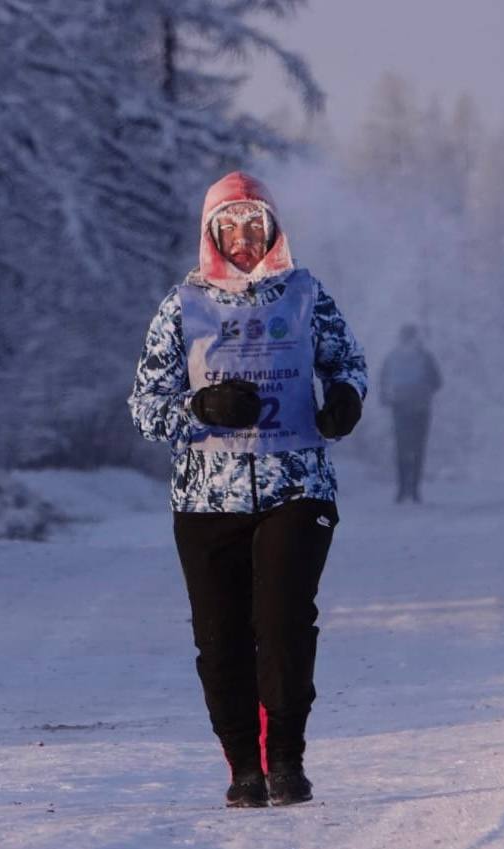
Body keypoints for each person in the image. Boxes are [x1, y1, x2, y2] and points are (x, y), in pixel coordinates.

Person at [128, 171, 367, 809]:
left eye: (252, 223)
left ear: (272, 227)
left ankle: (285, 758)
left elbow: (348, 363)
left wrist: (345, 398)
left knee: (284, 622)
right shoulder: (181, 306)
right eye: (228, 225)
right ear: (210, 233)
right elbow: (146, 409)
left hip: (297, 485)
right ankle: (243, 765)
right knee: (221, 636)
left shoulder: (306, 294)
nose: (242, 237)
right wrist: (201, 406)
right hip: (207, 499)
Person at [380, 324, 441, 502]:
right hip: (421, 407)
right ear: (415, 336)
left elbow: (383, 379)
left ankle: (401, 490)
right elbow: (438, 381)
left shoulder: (392, 356)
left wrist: (386, 398)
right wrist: (425, 391)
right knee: (418, 448)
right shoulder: (425, 356)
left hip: (399, 407)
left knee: (401, 448)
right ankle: (415, 490)